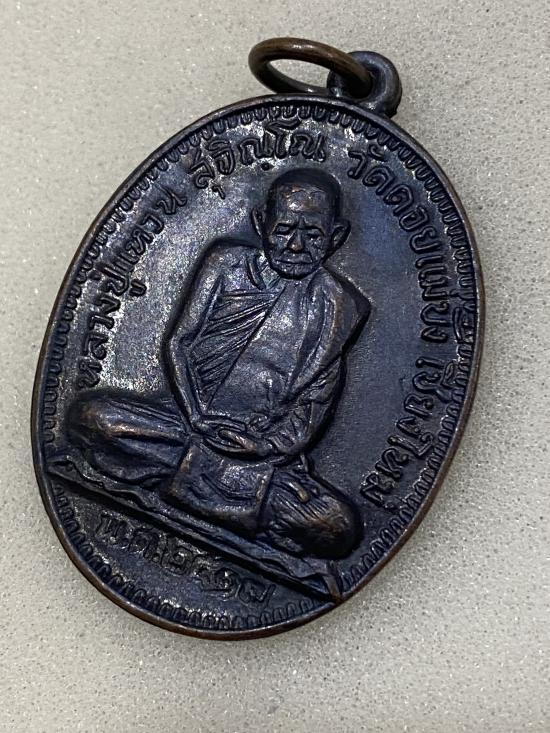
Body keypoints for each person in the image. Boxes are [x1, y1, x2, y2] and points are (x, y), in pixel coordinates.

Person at [69, 168, 369, 561]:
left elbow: (312, 408)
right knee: (92, 419)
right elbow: (179, 343)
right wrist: (195, 415)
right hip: (182, 425)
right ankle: (238, 511)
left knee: (337, 527)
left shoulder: (338, 308)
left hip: (260, 457)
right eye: (284, 230)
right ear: (261, 224)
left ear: (336, 236)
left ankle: (188, 486)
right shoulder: (227, 263)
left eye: (312, 234)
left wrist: (261, 446)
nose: (296, 245)